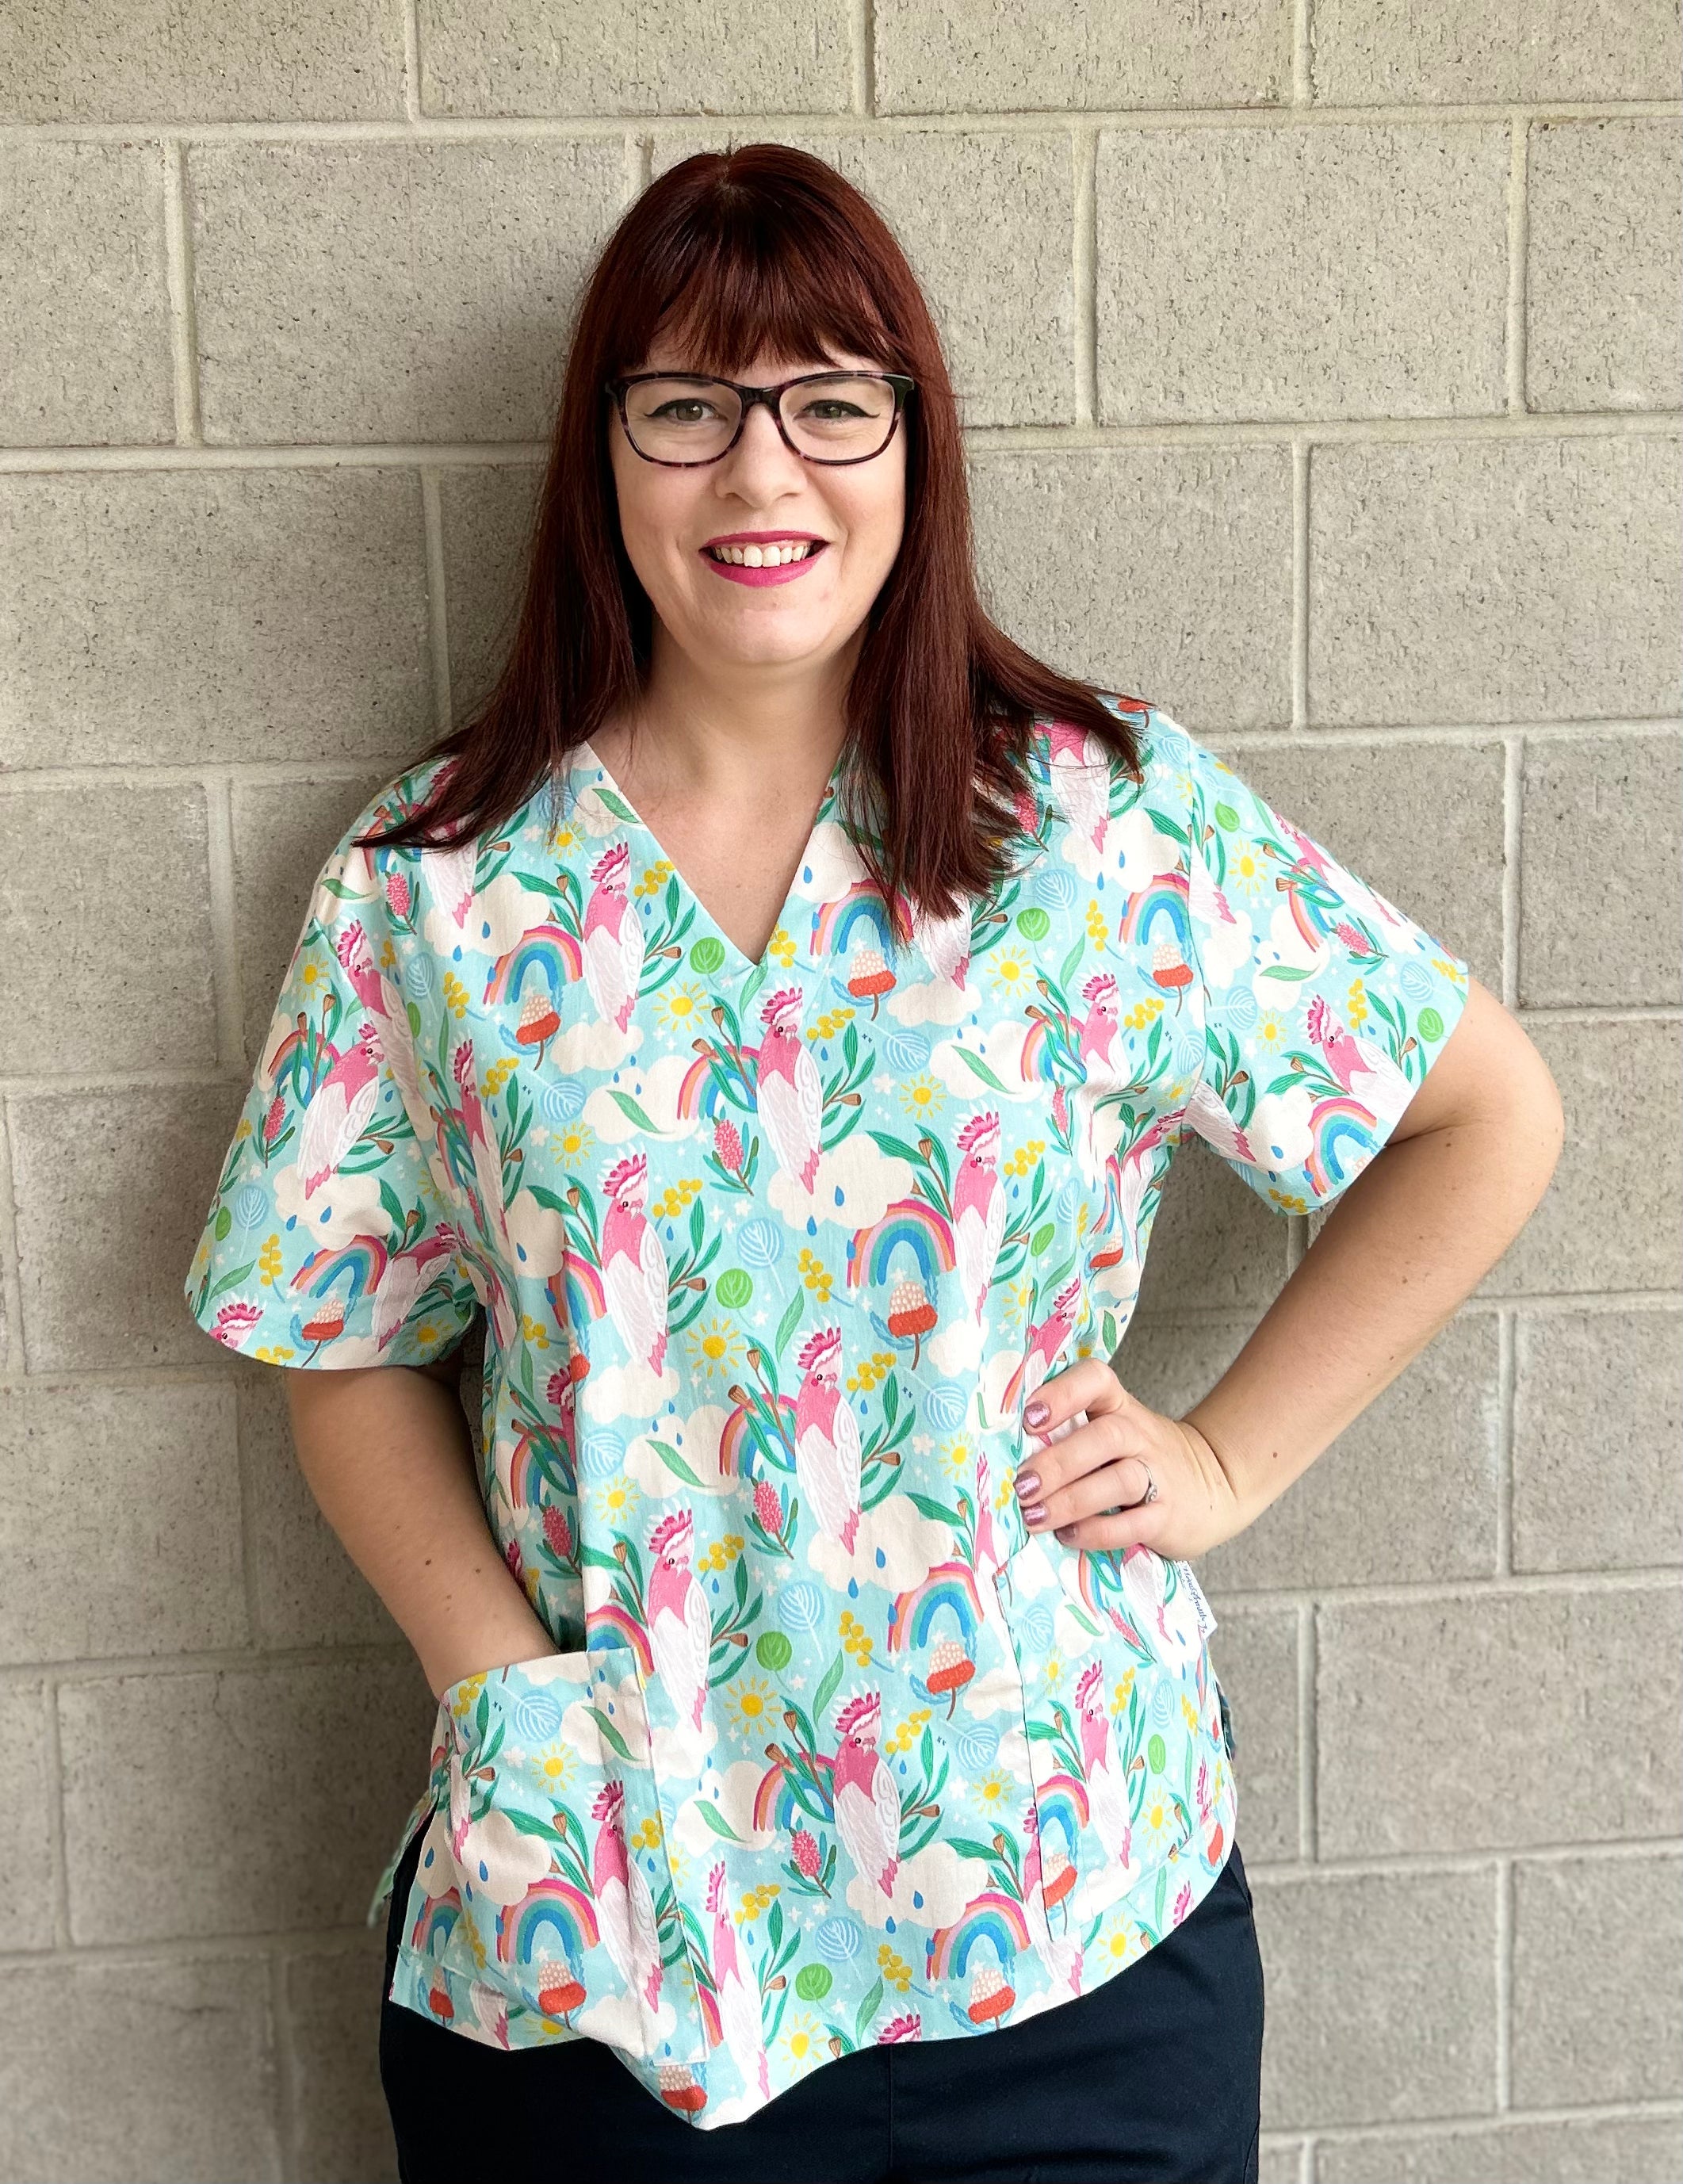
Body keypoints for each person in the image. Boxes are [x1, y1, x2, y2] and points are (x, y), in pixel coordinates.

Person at [182, 143, 1564, 2184]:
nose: (764, 478)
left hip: (1070, 1933)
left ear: (914, 445)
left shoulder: (1097, 829)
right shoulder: (440, 892)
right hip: (616, 1949)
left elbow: (1485, 1115)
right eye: (689, 410)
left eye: (834, 402)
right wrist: (494, 1682)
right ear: (605, 458)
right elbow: (334, 1329)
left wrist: (1230, 1458)